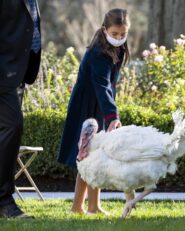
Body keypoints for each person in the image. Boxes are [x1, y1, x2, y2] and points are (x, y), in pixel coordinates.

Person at [58, 8, 130, 215]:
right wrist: (112, 116)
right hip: (87, 107)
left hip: (100, 103)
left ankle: (87, 206)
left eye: (122, 34)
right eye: (114, 34)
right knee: (89, 155)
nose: (118, 38)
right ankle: (83, 206)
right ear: (104, 29)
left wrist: (110, 112)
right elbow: (102, 85)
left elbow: (108, 86)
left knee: (92, 154)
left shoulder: (119, 48)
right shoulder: (99, 52)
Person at [0, 0, 41, 218]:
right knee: (13, 125)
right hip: (3, 72)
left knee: (10, 130)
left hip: (18, 70)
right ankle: (4, 202)